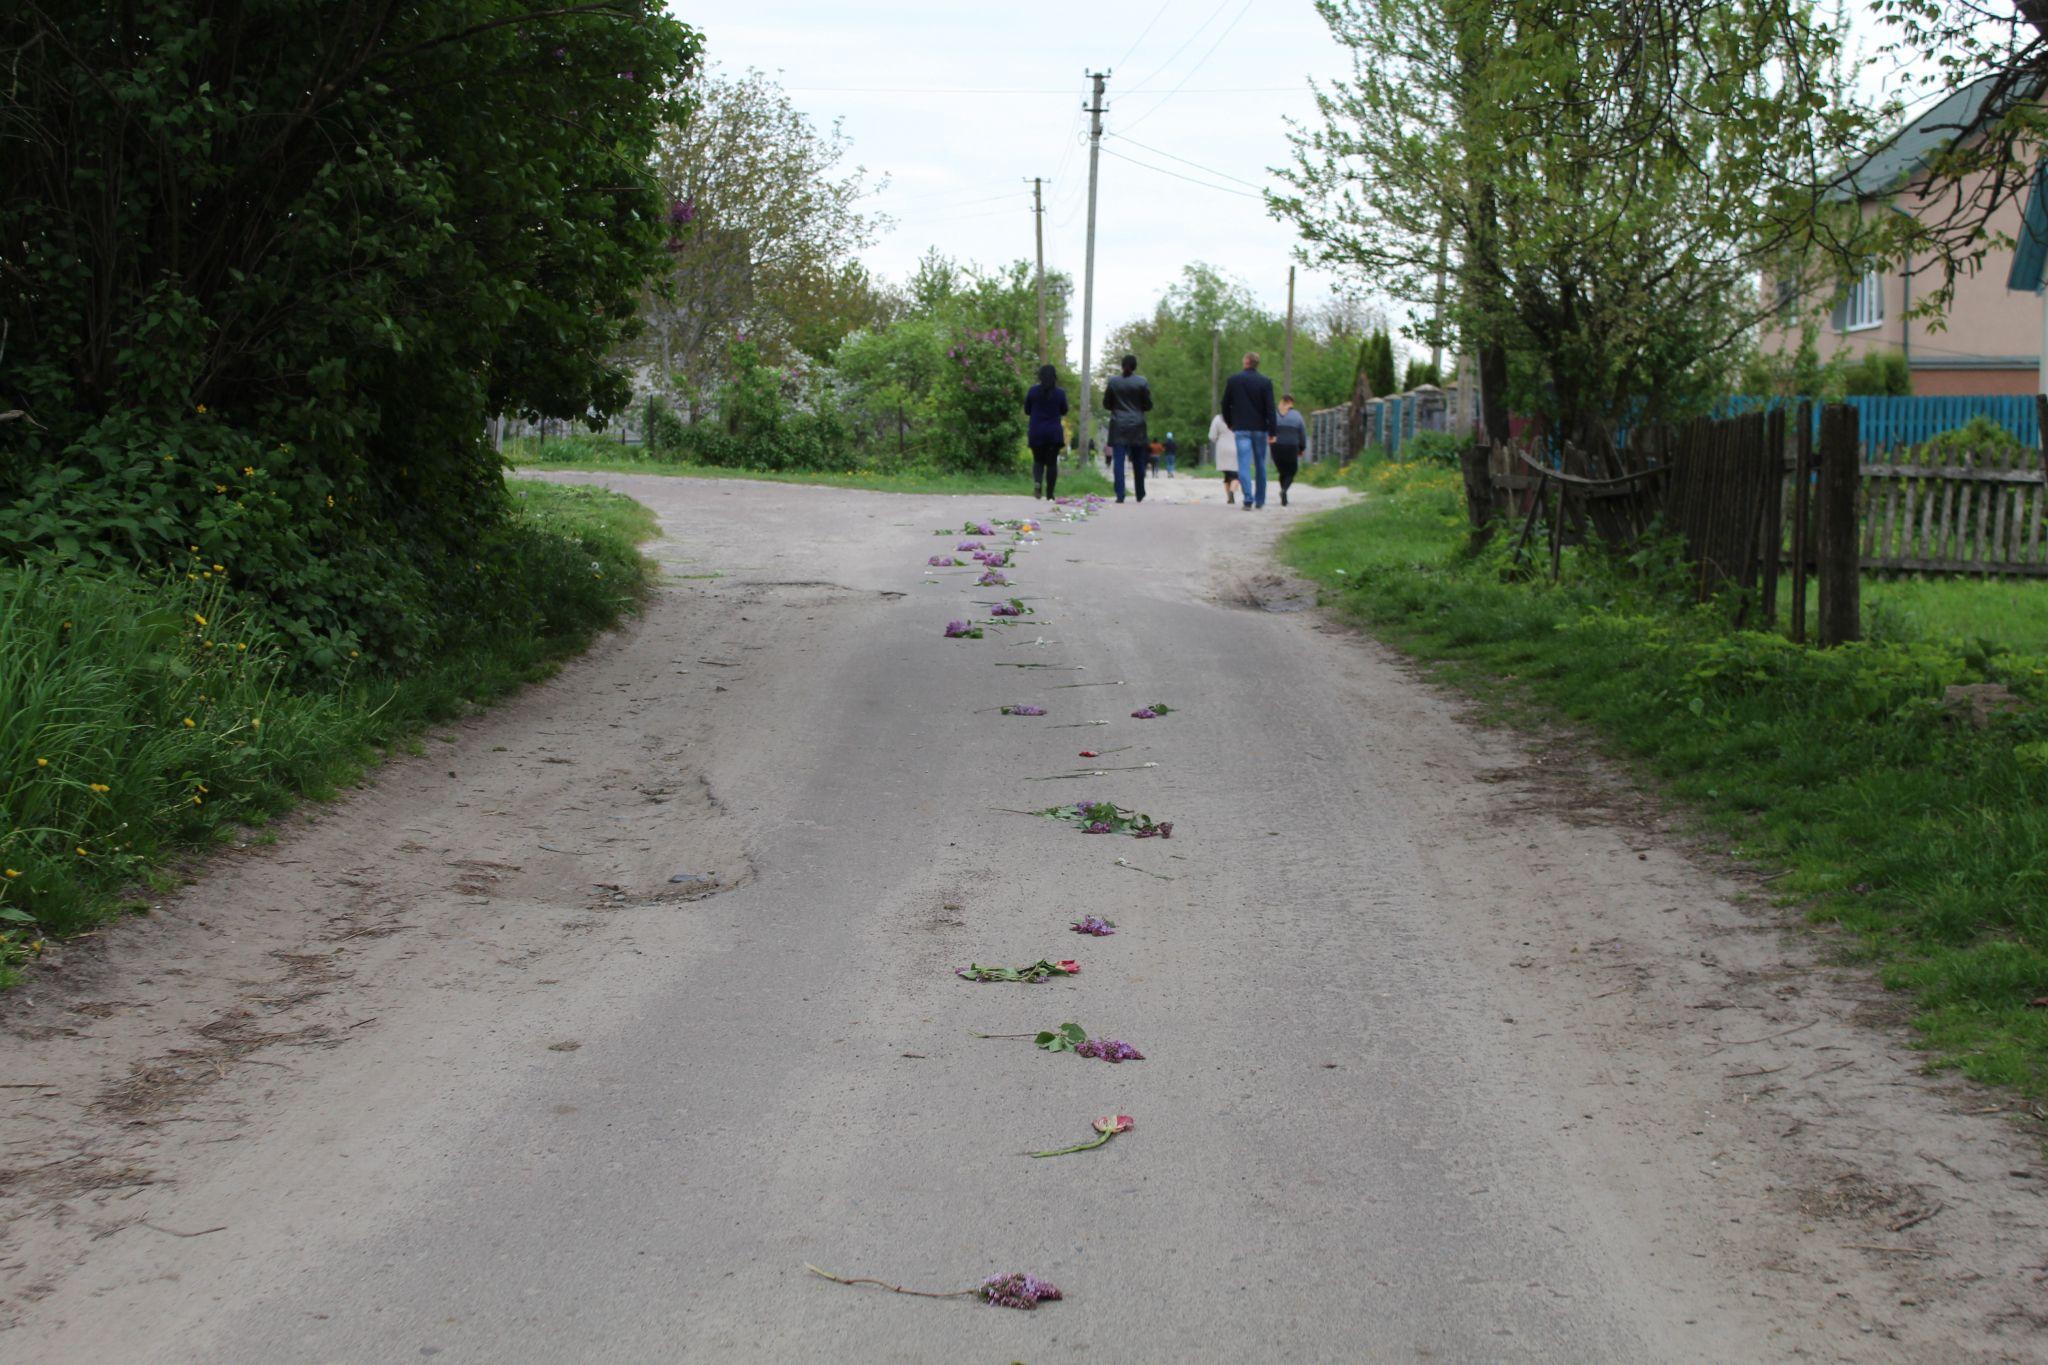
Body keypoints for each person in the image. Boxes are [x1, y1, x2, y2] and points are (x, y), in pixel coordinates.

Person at [1221, 351, 1277, 510]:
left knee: (1243, 465)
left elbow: (1225, 403)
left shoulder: (1234, 381)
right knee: (1260, 464)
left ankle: (1248, 498)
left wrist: (1230, 422)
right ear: (1256, 363)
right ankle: (1260, 500)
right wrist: (1272, 432)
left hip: (1242, 429)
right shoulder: (1265, 382)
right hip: (1260, 429)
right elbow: (1270, 408)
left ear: (1246, 361)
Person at [1102, 353, 1154, 504]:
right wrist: (1138, 408)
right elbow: (1148, 405)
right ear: (1135, 366)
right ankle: (1140, 492)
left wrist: (1117, 408)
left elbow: (1106, 404)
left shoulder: (1113, 382)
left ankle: (1120, 494)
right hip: (1137, 425)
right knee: (1138, 460)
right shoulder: (1142, 382)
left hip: (1118, 424)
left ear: (1122, 365)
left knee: (1118, 461)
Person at [1023, 363, 1069, 501]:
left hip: (1036, 431)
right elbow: (1064, 410)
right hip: (1053, 433)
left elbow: (1027, 410)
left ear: (1040, 376)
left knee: (1038, 461)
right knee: (1051, 463)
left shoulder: (1033, 391)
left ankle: (1038, 482)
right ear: (1055, 376)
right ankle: (1050, 493)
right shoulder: (1060, 393)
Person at [1269, 393, 1309, 507]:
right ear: (1291, 403)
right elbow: (1302, 433)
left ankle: (1283, 490)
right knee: (1292, 470)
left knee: (1282, 471)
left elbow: (1268, 430)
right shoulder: (1297, 415)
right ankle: (1284, 490)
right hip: (1291, 446)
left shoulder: (1274, 415)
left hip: (1276, 446)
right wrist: (1302, 448)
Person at [1208, 409, 1239, 503]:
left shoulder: (1218, 418)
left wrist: (1218, 439)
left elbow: (1212, 436)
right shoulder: (1239, 416)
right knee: (1236, 475)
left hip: (1222, 448)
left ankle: (1229, 496)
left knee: (1227, 474)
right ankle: (1232, 492)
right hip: (1236, 447)